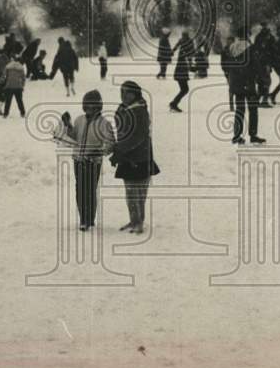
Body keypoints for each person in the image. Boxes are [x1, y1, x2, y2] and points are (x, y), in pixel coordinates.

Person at [110, 80, 160, 234]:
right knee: (130, 192)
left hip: (140, 157)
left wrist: (119, 150)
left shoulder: (140, 111)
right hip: (127, 157)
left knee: (139, 192)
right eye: (122, 92)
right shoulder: (124, 108)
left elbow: (137, 136)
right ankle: (133, 220)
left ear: (135, 94)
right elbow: (122, 131)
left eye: (127, 93)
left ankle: (139, 222)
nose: (124, 96)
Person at [70, 89, 115, 230]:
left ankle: (88, 219)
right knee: (79, 189)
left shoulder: (104, 123)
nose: (89, 108)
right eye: (86, 105)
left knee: (89, 190)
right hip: (78, 160)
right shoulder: (79, 120)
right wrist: (67, 127)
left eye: (92, 105)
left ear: (98, 106)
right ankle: (84, 216)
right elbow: (73, 137)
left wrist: (100, 151)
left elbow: (110, 143)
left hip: (93, 162)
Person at [226, 33, 265, 145]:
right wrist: (261, 80)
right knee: (253, 109)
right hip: (248, 83)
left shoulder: (232, 48)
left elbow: (228, 65)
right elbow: (256, 65)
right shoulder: (250, 49)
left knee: (240, 110)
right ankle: (253, 135)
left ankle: (236, 136)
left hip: (237, 83)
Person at [168, 31, 194, 112]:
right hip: (182, 71)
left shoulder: (182, 45)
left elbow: (176, 47)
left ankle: (174, 103)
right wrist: (191, 66)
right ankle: (173, 104)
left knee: (184, 89)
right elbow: (190, 55)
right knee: (185, 89)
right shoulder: (188, 45)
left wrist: (172, 51)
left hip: (180, 71)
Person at [0, 52, 27, 117]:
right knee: (19, 101)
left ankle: (6, 114)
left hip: (9, 86)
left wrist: (1, 82)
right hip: (18, 86)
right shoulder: (21, 67)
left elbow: (4, 76)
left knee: (8, 101)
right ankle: (22, 113)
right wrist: (22, 85)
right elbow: (23, 78)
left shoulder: (7, 67)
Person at [220, 34, 235, 111]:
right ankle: (231, 105)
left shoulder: (236, 49)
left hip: (236, 71)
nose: (229, 42)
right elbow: (222, 62)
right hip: (229, 71)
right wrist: (225, 70)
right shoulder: (225, 50)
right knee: (231, 88)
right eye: (228, 41)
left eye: (230, 41)